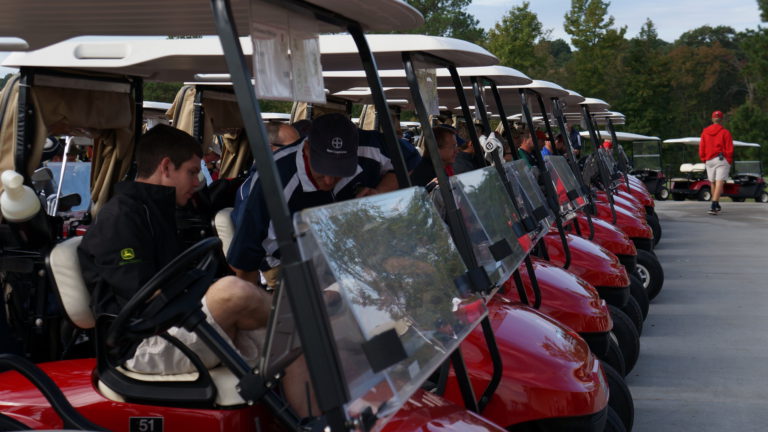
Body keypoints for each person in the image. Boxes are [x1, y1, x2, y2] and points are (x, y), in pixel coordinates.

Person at [77, 124, 315, 417]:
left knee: (295, 337)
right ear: (166, 167)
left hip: (177, 329)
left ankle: (312, 421)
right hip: (141, 347)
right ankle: (309, 310)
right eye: (191, 171)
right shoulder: (121, 218)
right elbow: (145, 299)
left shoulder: (163, 212)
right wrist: (208, 293)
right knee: (233, 292)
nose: (198, 181)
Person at [229, 113, 397, 288]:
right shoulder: (273, 180)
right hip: (288, 265)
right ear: (307, 149)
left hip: (348, 257)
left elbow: (407, 162)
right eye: (321, 170)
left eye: (339, 171)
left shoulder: (370, 146)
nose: (329, 181)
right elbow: (244, 259)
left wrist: (381, 191)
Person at [699, 110, 733, 215]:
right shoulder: (725, 132)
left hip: (709, 159)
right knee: (719, 182)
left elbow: (702, 147)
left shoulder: (705, 132)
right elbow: (730, 149)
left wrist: (703, 158)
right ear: (721, 120)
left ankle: (716, 203)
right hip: (721, 159)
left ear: (712, 119)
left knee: (713, 182)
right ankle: (713, 205)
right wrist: (728, 159)